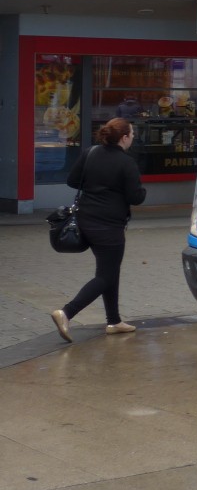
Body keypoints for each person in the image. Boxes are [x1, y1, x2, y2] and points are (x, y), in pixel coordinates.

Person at [50, 117, 146, 342]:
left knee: (109, 271)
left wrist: (95, 186)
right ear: (123, 138)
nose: (133, 137)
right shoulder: (127, 163)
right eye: (131, 134)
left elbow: (73, 181)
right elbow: (136, 197)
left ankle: (113, 321)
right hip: (110, 227)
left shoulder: (90, 153)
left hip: (86, 221)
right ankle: (66, 312)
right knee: (106, 275)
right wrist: (139, 192)